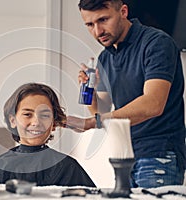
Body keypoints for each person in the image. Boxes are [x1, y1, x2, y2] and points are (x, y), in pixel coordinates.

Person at [66, 0, 186, 188]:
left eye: (103, 20)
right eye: (90, 24)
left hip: (159, 153)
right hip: (125, 156)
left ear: (123, 11)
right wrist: (89, 90)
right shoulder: (105, 57)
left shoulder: (157, 43)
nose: (97, 32)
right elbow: (101, 112)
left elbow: (153, 104)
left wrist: (94, 123)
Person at [0, 83, 96, 187]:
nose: (36, 123)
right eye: (27, 114)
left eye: (45, 115)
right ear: (13, 120)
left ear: (53, 123)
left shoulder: (68, 168)